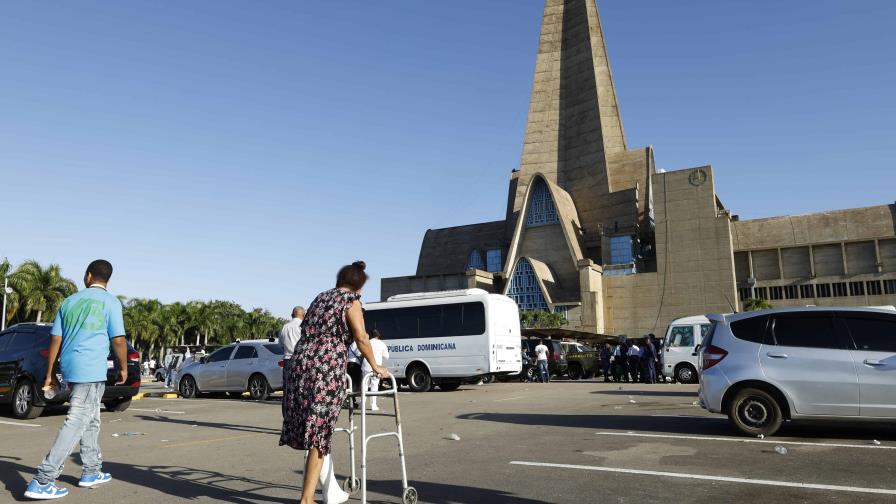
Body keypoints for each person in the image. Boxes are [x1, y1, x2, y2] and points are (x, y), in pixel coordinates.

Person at [280, 261, 389, 504]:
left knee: (312, 430)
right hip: (325, 368)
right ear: (358, 287)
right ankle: (306, 500)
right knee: (319, 434)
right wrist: (376, 365)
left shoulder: (320, 298)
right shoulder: (351, 301)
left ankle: (325, 492)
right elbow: (361, 337)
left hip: (299, 364)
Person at [25, 260, 127, 500]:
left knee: (91, 419)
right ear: (106, 279)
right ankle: (43, 479)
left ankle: (91, 471)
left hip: (71, 367)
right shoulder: (111, 302)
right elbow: (119, 340)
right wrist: (123, 367)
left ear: (89, 276)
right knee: (77, 420)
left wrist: (49, 373)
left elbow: (55, 339)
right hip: (91, 369)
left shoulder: (69, 302)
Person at [279, 306, 305, 416]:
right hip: (300, 361)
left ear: (292, 315)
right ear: (304, 316)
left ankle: (286, 419)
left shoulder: (284, 327)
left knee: (287, 391)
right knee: (301, 391)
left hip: (287, 361)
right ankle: (299, 419)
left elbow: (280, 345)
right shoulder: (303, 327)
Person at [363, 329, 390, 411]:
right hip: (376, 367)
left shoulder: (367, 342)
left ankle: (362, 405)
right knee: (374, 386)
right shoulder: (382, 344)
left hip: (366, 366)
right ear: (378, 336)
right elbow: (386, 356)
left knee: (364, 386)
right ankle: (373, 405)